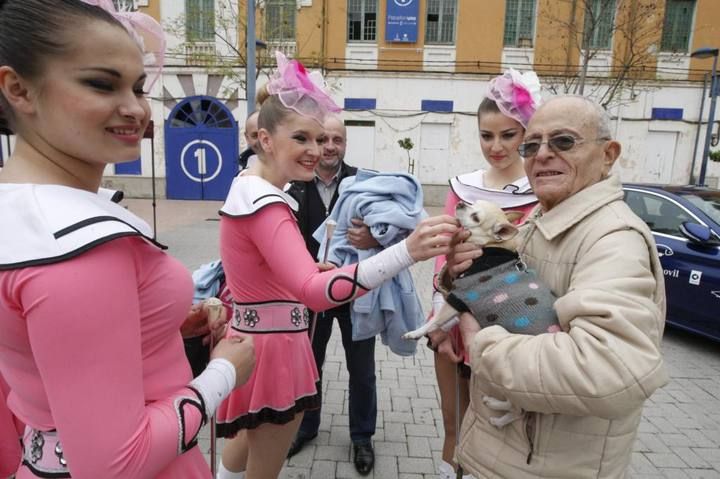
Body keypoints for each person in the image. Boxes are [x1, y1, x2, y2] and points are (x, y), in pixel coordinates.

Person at [0, 1, 255, 477]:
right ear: (19, 89)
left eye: (138, 87)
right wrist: (223, 372)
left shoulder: (20, 215)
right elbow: (117, 462)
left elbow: (36, 356)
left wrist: (153, 329)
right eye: (101, 83)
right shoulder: (75, 246)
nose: (135, 108)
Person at [214, 52, 459, 479]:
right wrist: (408, 252)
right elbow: (313, 292)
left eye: (318, 138)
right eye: (301, 139)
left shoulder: (248, 188)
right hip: (274, 353)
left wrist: (308, 274)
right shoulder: (266, 203)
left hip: (256, 341)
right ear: (266, 140)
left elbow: (273, 277)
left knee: (235, 461)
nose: (314, 151)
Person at [445, 95, 669, 478]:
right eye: (531, 145)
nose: (542, 154)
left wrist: (482, 344)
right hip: (506, 454)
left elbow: (606, 370)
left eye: (563, 141)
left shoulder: (613, 238)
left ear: (609, 154)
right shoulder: (542, 220)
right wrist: (455, 278)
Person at [427, 69, 541, 479]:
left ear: (526, 132)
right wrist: (438, 320)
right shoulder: (463, 186)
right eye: (486, 135)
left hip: (514, 327)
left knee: (500, 433)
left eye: (508, 135)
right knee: (454, 424)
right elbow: (444, 257)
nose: (496, 146)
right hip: (455, 326)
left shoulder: (541, 190)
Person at [285, 115, 378, 474]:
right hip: (310, 291)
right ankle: (307, 428)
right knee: (310, 366)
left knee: (362, 370)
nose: (329, 147)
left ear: (345, 144)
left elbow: (388, 229)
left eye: (336, 140)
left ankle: (361, 438)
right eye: (322, 139)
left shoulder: (363, 183)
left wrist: (372, 238)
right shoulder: (295, 180)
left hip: (354, 290)